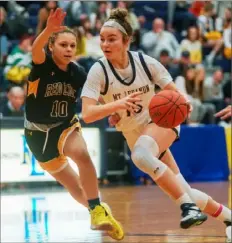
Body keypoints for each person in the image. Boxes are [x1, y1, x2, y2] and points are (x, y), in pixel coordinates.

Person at [81, 8, 231, 239]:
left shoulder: (145, 62)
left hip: (161, 122)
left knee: (140, 155)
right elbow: (88, 114)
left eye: (111, 39)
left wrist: (185, 102)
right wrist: (116, 107)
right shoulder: (98, 70)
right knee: (185, 190)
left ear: (127, 41)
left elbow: (175, 95)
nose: (105, 44)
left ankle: (187, 208)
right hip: (133, 132)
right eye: (102, 39)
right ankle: (228, 217)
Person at [24, 8, 123, 241]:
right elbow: (35, 49)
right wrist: (49, 29)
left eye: (71, 45)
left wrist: (112, 109)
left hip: (64, 126)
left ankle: (97, 208)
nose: (69, 49)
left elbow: (95, 95)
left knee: (81, 154)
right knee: (75, 189)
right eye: (63, 45)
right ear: (52, 47)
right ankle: (100, 212)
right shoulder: (42, 65)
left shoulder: (77, 72)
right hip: (37, 135)